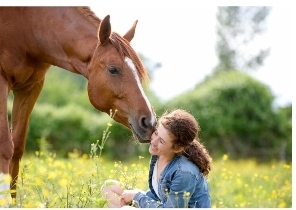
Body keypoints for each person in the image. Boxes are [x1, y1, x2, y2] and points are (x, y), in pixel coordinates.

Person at [101, 109, 212, 208]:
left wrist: (137, 197)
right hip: (159, 204)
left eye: (162, 141)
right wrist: (134, 196)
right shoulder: (159, 155)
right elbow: (158, 194)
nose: (153, 142)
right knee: (109, 186)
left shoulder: (184, 172)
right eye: (156, 133)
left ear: (177, 148)